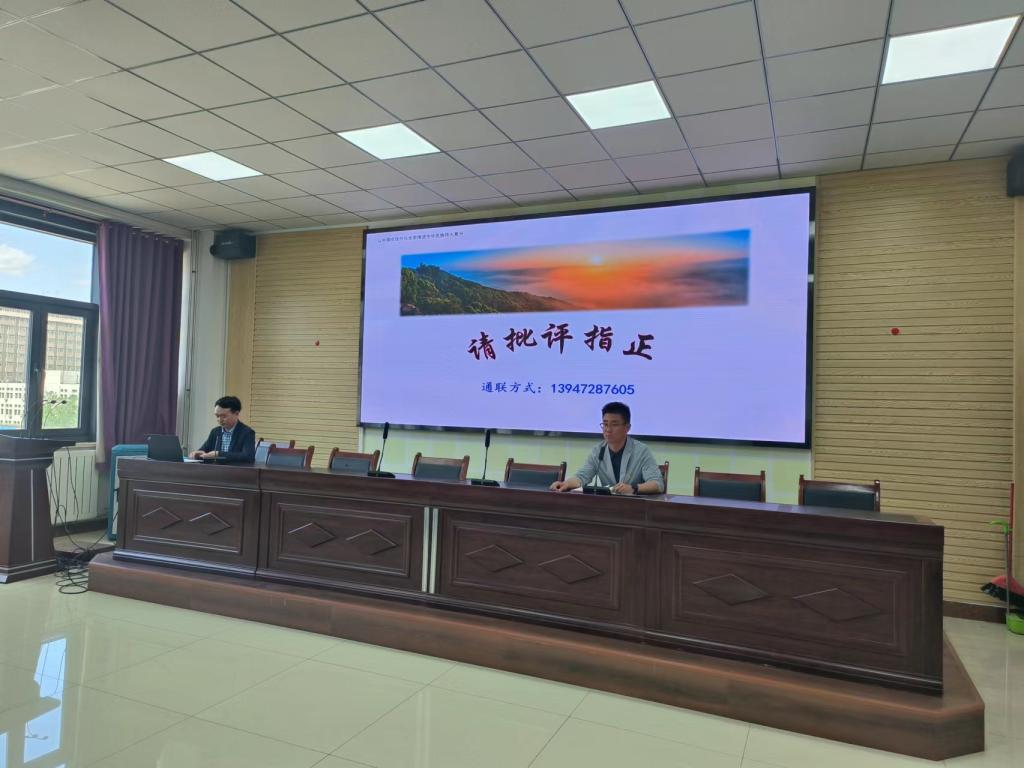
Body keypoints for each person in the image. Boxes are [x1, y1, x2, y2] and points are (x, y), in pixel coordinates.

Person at [550, 402, 664, 495]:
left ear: (627, 427)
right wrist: (566, 484)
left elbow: (657, 484)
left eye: (614, 424)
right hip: (608, 506)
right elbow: (582, 476)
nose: (608, 429)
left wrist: (633, 488)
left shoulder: (641, 451)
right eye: (605, 424)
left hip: (635, 507)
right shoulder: (598, 450)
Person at [189, 395, 256, 463]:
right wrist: (197, 453)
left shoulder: (247, 432)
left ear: (236, 414)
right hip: (215, 469)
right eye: (217, 416)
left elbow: (248, 456)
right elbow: (204, 450)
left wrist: (219, 454)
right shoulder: (215, 432)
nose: (220, 420)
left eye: (224, 416)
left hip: (235, 469)